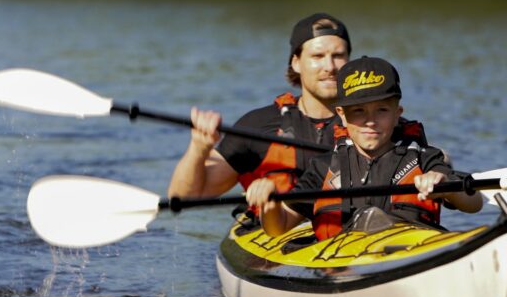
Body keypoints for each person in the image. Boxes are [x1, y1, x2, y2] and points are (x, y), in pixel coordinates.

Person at [245, 56, 483, 240]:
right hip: (341, 268)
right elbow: (279, 227)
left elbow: (474, 203)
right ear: (342, 115)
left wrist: (445, 186)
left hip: (410, 253)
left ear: (397, 113)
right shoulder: (323, 167)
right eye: (358, 111)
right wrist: (270, 203)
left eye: (382, 110)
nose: (370, 121)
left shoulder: (425, 158)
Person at [167, 13, 351, 204]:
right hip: (274, 220)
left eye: (338, 56)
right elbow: (182, 198)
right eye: (317, 56)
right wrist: (199, 148)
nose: (330, 66)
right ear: (296, 62)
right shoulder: (258, 126)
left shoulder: (367, 125)